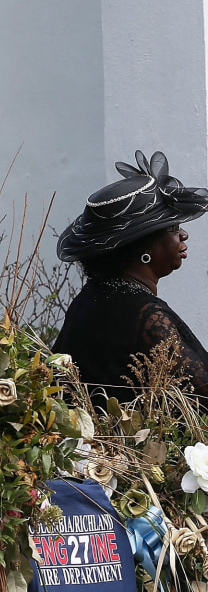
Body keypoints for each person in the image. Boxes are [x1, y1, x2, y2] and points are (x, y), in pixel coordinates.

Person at [54, 150, 208, 403]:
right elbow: (203, 395)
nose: (183, 234)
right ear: (143, 247)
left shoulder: (91, 297)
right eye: (171, 227)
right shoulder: (147, 315)